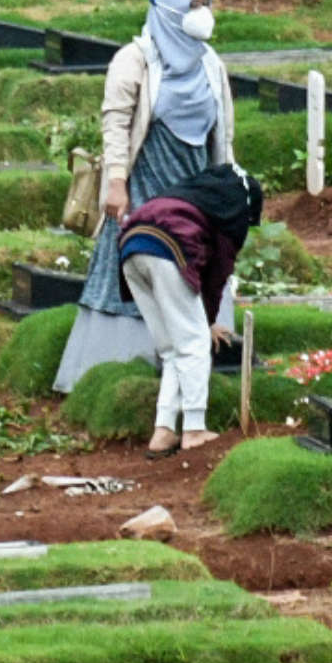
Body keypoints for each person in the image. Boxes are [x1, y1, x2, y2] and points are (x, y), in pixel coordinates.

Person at [52, 0, 238, 394]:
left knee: (194, 261)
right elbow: (116, 124)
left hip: (194, 185)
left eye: (203, 4)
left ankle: (191, 368)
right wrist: (117, 184)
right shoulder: (134, 60)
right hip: (146, 181)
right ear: (168, 12)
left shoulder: (210, 62)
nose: (200, 15)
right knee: (142, 259)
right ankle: (122, 373)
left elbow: (222, 131)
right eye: (191, 6)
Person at [115, 165, 266, 457]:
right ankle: (195, 429)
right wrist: (205, 322)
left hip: (131, 247)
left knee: (172, 348)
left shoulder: (191, 195)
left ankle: (164, 430)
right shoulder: (229, 212)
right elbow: (216, 274)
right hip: (167, 248)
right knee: (194, 344)